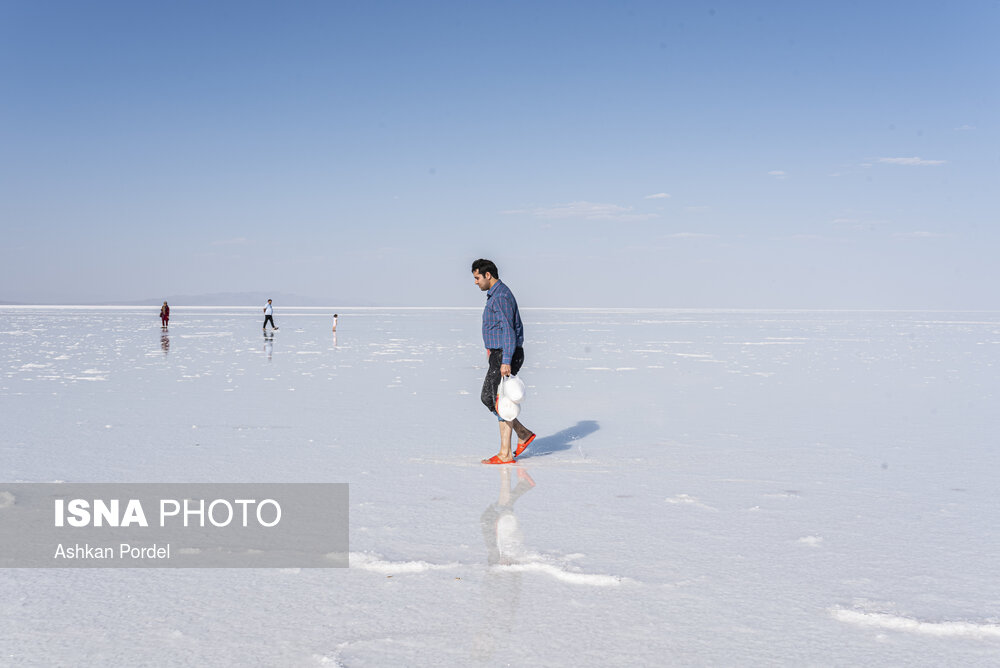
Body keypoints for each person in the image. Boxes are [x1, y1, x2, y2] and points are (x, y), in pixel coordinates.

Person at [472, 259, 536, 464]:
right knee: (489, 398)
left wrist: (505, 360)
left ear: (487, 275)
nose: (476, 282)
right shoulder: (497, 295)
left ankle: (505, 453)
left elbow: (508, 330)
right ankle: (522, 433)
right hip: (499, 353)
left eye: (477, 278)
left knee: (500, 400)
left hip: (505, 354)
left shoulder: (499, 297)